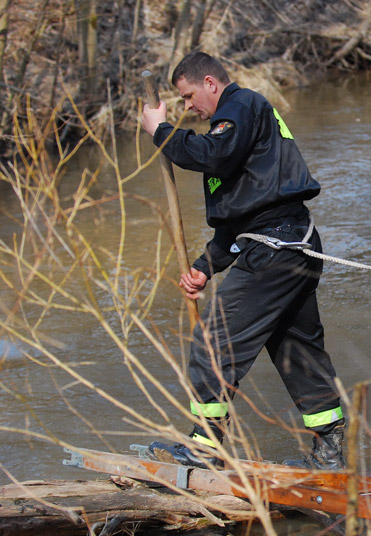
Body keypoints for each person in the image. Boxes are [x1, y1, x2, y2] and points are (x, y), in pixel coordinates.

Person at [140, 51, 345, 470]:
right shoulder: (234, 127)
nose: (187, 107)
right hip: (289, 245)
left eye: (188, 96)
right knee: (297, 350)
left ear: (211, 83)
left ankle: (204, 453)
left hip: (275, 250)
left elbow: (210, 155)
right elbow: (240, 225)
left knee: (213, 345)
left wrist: (160, 130)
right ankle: (332, 453)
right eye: (180, 102)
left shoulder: (240, 106)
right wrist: (204, 266)